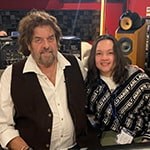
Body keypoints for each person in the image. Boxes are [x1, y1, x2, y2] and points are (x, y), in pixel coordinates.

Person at [0, 10, 100, 150]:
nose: (46, 45)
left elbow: (100, 81)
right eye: (38, 40)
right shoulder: (12, 75)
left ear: (57, 40)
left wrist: (126, 70)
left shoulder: (75, 64)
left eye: (50, 38)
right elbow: (3, 126)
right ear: (28, 44)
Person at [85, 34, 150, 146]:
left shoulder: (139, 79)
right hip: (109, 139)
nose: (104, 58)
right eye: (99, 53)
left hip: (142, 138)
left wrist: (146, 140)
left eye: (110, 53)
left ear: (117, 55)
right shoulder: (89, 85)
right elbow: (89, 117)